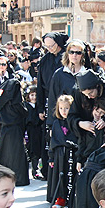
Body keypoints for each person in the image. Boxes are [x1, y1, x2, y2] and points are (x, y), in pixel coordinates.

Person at [37, 32, 68, 179]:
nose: (50, 49)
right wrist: (40, 107)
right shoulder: (44, 61)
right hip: (50, 101)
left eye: (52, 45)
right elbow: (40, 86)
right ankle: (48, 171)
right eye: (47, 46)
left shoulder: (66, 57)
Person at [0, 78, 29, 186]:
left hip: (4, 132)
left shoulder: (1, 104)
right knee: (17, 156)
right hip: (16, 131)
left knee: (5, 156)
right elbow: (24, 116)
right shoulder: (18, 104)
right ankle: (18, 179)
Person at [48, 94, 78, 208]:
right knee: (60, 175)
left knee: (71, 175)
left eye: (66, 108)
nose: (63, 111)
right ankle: (61, 198)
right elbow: (53, 141)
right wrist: (51, 156)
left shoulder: (74, 122)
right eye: (61, 108)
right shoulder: (56, 123)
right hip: (59, 154)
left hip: (72, 153)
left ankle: (71, 198)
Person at [24, 86, 44, 180]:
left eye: (36, 95)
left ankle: (40, 170)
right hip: (31, 131)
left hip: (39, 131)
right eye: (32, 95)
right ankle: (34, 171)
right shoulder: (26, 106)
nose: (34, 97)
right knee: (33, 152)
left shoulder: (39, 107)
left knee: (40, 150)